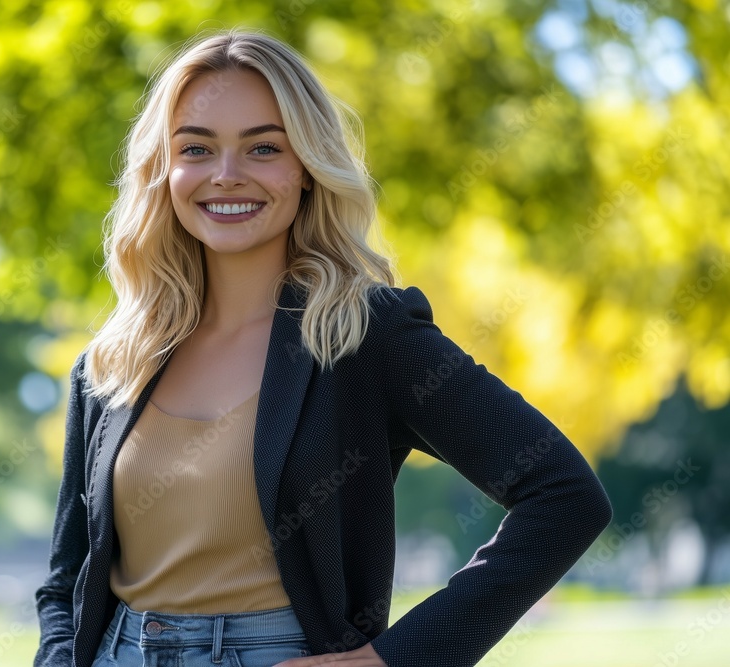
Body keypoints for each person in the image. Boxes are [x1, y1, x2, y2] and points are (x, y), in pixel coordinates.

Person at [34, 28, 613, 667]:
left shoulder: (365, 336)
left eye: (263, 148)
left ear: (307, 169)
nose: (227, 176)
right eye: (197, 147)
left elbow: (563, 495)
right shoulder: (115, 359)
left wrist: (401, 658)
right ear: (164, 170)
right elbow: (68, 579)